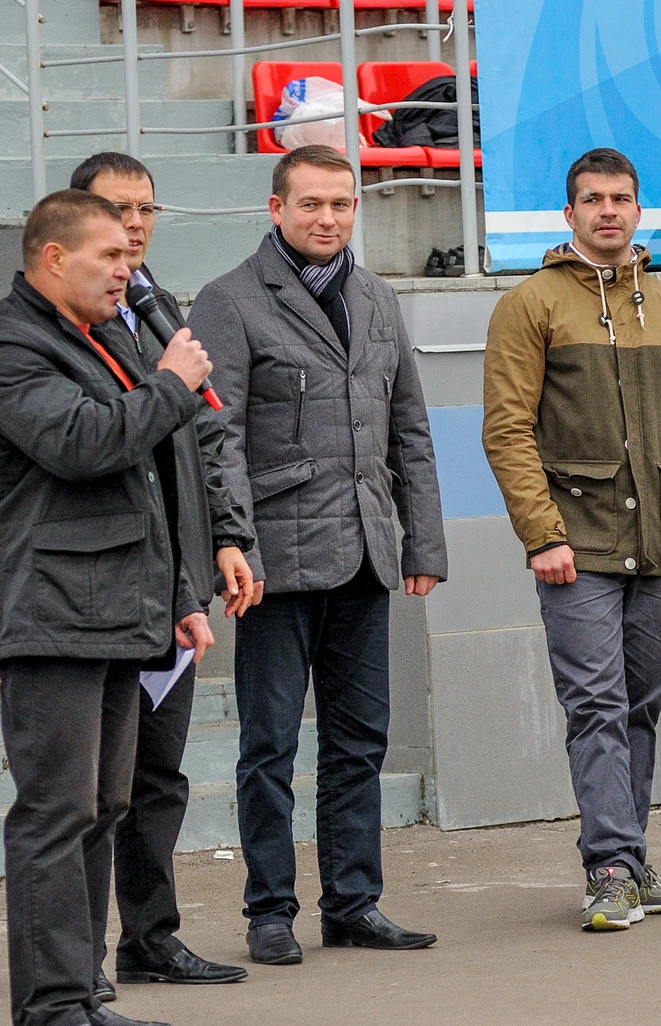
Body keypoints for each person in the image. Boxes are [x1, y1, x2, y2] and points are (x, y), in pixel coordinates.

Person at [0, 189, 218, 1026]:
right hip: (48, 614)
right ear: (52, 258)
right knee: (55, 813)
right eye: (108, 254)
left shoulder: (103, 337)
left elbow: (150, 481)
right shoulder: (10, 346)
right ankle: (48, 1016)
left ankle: (83, 993)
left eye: (128, 254)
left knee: (104, 807)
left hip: (115, 609)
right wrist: (171, 384)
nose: (126, 268)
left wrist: (180, 595)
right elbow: (82, 444)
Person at [190, 145, 447, 965]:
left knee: (359, 740)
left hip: (366, 554)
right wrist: (234, 541)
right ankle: (269, 911)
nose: (326, 218)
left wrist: (422, 541)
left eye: (340, 204)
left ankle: (353, 903)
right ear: (276, 209)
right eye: (309, 204)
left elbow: (409, 429)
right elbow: (217, 437)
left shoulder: (377, 298)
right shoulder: (229, 300)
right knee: (269, 745)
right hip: (273, 564)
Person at [482, 147, 661, 932]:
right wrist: (541, 534)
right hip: (576, 544)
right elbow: (507, 431)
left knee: (641, 705)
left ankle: (630, 857)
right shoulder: (529, 304)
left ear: (637, 209)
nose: (607, 211)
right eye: (591, 199)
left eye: (619, 199)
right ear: (568, 214)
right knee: (595, 704)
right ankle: (610, 869)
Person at [70, 152, 257, 997]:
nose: (136, 225)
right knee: (93, 789)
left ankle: (150, 938)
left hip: (177, 581)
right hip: (110, 586)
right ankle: (74, 966)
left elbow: (206, 434)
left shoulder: (153, 305)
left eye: (147, 208)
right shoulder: (74, 322)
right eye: (118, 209)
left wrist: (227, 537)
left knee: (158, 774)